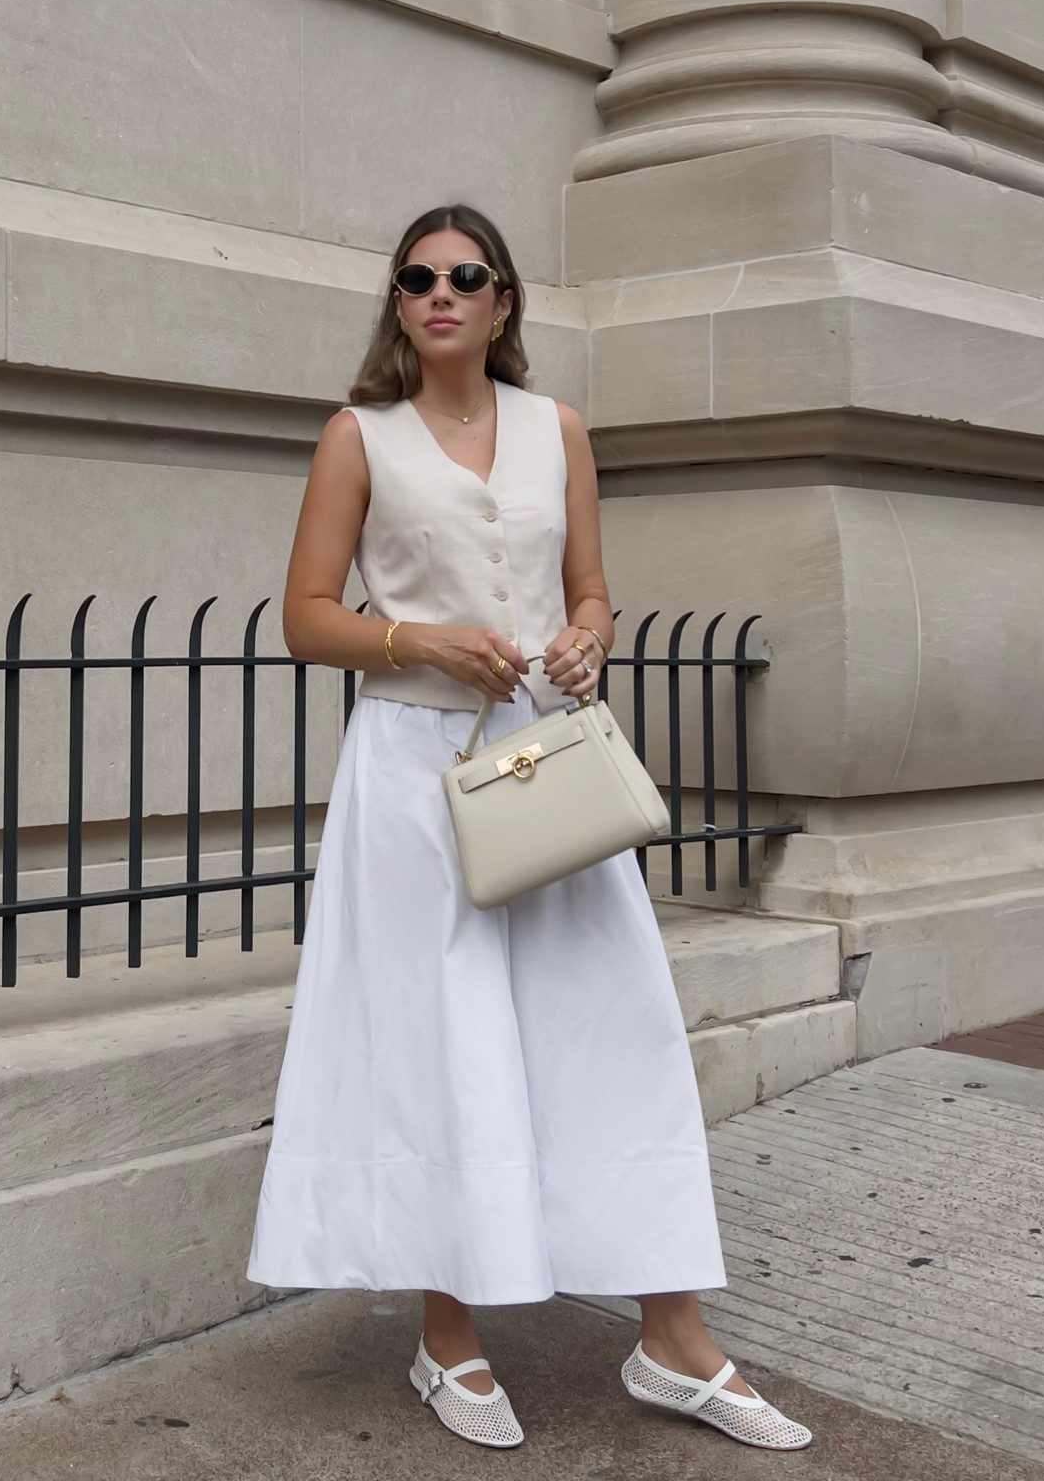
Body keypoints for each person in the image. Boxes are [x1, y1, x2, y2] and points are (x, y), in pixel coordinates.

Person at [246, 203, 811, 1453]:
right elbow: (303, 614)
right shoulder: (360, 439)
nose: (441, 293)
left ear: (504, 301)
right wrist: (416, 637)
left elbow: (594, 586)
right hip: (416, 773)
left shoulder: (560, 433)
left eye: (467, 275)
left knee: (613, 1031)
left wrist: (593, 633)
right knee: (453, 1046)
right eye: (417, 278)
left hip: (550, 767)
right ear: (397, 303)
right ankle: (447, 1335)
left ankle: (673, 1336)